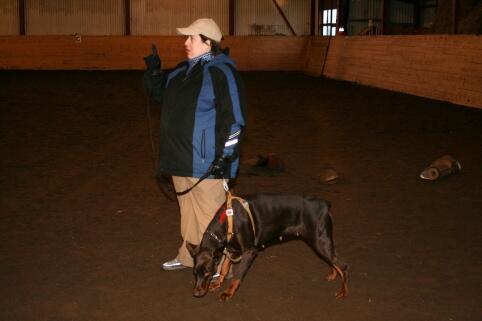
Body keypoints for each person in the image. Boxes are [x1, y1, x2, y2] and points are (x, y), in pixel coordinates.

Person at [142, 18, 247, 273]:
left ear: (208, 43)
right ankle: (189, 256)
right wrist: (154, 73)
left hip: (206, 161)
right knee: (188, 214)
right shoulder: (181, 71)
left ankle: (221, 266)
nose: (185, 43)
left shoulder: (223, 73)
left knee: (212, 218)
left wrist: (226, 156)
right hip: (179, 157)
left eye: (191, 38)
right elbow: (162, 97)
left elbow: (234, 119)